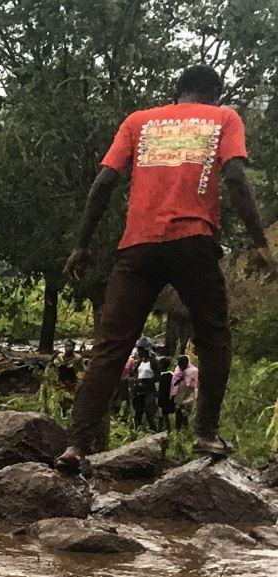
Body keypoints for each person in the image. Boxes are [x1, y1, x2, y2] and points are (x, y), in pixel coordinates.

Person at [58, 65, 272, 470]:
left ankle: (75, 446)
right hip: (194, 242)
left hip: (138, 246)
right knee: (213, 337)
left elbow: (103, 182)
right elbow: (236, 179)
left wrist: (81, 245)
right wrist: (259, 241)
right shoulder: (224, 118)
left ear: (177, 93)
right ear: (214, 93)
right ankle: (205, 434)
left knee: (110, 347)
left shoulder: (138, 122)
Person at [171, 352, 200, 432]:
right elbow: (174, 382)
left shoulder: (193, 371)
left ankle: (185, 431)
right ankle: (177, 430)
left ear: (187, 363)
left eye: (183, 365)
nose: (181, 367)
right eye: (180, 365)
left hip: (188, 394)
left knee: (185, 413)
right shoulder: (178, 370)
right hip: (179, 393)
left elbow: (194, 385)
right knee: (178, 412)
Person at [131, 348, 158, 428]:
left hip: (149, 390)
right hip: (139, 389)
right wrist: (135, 380)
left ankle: (153, 428)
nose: (138, 352)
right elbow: (135, 373)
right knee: (138, 411)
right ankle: (138, 428)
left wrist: (145, 381)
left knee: (150, 411)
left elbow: (157, 376)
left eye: (140, 351)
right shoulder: (140, 362)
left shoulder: (153, 362)